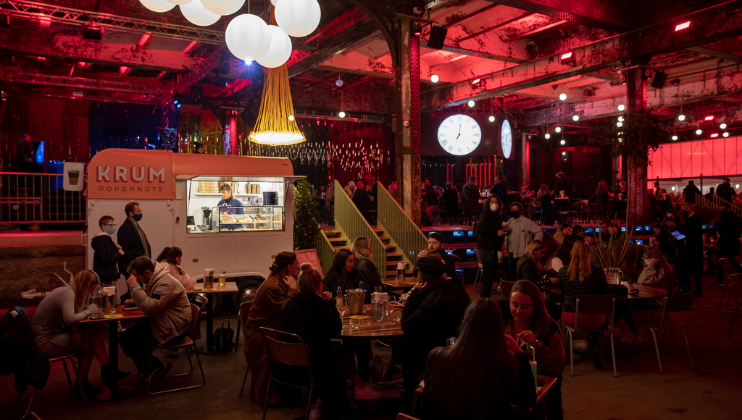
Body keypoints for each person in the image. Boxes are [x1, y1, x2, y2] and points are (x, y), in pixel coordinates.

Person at [281, 263, 379, 419]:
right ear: (319, 285)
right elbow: (336, 327)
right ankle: (358, 388)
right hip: (311, 368)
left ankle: (320, 405)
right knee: (334, 353)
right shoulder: (318, 308)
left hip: (285, 366)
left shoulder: (290, 305)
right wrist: (330, 303)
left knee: (335, 348)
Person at [422, 298, 536, 420]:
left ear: (465, 324)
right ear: (498, 329)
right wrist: (519, 353)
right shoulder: (504, 364)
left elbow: (427, 407)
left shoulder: (437, 356)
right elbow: (527, 400)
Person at [31, 270, 129, 396]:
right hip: (44, 340)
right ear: (85, 285)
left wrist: (76, 328)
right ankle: (102, 373)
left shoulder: (72, 292)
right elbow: (70, 318)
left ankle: (90, 380)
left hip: (52, 333)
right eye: (92, 288)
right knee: (89, 343)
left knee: (91, 333)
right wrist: (88, 311)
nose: (93, 292)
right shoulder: (68, 293)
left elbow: (71, 318)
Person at [401, 257, 471, 394]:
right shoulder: (455, 289)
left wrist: (414, 294)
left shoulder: (433, 302)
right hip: (456, 345)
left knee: (406, 346)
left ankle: (410, 396)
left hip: (433, 351)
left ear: (424, 278)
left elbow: (406, 324)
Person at [502, 281, 567, 420]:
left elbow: (558, 367)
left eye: (525, 307)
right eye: (515, 305)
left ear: (535, 307)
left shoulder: (548, 330)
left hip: (536, 393)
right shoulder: (502, 324)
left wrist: (537, 346)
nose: (518, 310)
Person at [120, 257, 191, 382]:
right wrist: (133, 302)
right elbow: (151, 299)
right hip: (163, 324)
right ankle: (152, 368)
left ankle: (155, 368)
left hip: (173, 330)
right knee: (123, 337)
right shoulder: (155, 278)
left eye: (137, 277)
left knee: (131, 344)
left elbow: (150, 307)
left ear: (147, 272)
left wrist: (135, 286)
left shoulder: (164, 282)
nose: (135, 279)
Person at [244, 251, 299, 405]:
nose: (299, 266)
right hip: (260, 334)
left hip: (268, 327)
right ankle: (273, 396)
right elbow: (285, 311)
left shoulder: (282, 280)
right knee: (300, 342)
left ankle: (292, 387)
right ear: (289, 267)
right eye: (297, 264)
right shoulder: (273, 286)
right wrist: (293, 291)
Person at [558, 241, 608, 369]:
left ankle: (567, 354)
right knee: (599, 313)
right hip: (594, 319)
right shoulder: (598, 272)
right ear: (588, 254)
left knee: (571, 324)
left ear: (572, 254)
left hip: (571, 317)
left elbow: (564, 293)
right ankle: (596, 348)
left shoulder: (563, 272)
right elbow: (604, 294)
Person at [474, 196, 506, 298]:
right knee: (488, 275)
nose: (494, 204)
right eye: (492, 202)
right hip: (486, 247)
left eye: (496, 202)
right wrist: (496, 232)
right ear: (488, 203)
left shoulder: (497, 215)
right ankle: (484, 300)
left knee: (491, 275)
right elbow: (480, 230)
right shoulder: (486, 214)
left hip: (493, 247)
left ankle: (486, 299)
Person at [504, 202, 543, 280]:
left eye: (515, 209)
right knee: (512, 275)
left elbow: (539, 231)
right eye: (512, 209)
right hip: (511, 253)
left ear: (520, 211)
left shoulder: (526, 222)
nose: (513, 210)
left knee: (522, 276)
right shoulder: (509, 221)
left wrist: (534, 244)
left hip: (522, 254)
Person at [117, 202, 151, 278]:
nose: (140, 213)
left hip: (139, 269)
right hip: (133, 270)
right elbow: (125, 251)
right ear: (131, 213)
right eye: (138, 211)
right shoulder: (125, 228)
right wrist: (138, 263)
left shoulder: (136, 226)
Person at [91, 215, 124, 287]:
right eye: (111, 225)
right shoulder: (103, 240)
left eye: (114, 225)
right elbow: (107, 257)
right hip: (106, 277)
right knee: (112, 298)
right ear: (103, 227)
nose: (113, 227)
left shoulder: (105, 239)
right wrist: (119, 253)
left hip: (108, 276)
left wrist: (114, 248)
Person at [713, 204, 742, 284]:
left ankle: (721, 278)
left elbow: (727, 231)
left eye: (723, 209)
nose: (721, 210)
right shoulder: (724, 219)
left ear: (728, 209)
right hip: (726, 242)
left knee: (730, 260)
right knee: (722, 260)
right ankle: (720, 278)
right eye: (720, 209)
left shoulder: (731, 218)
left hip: (728, 243)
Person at [681, 202, 704, 297]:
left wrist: (675, 231)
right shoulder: (692, 219)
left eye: (683, 209)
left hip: (694, 248)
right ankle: (691, 288)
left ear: (687, 209)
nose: (682, 211)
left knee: (695, 270)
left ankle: (698, 290)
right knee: (688, 269)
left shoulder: (694, 219)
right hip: (691, 248)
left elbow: (686, 234)